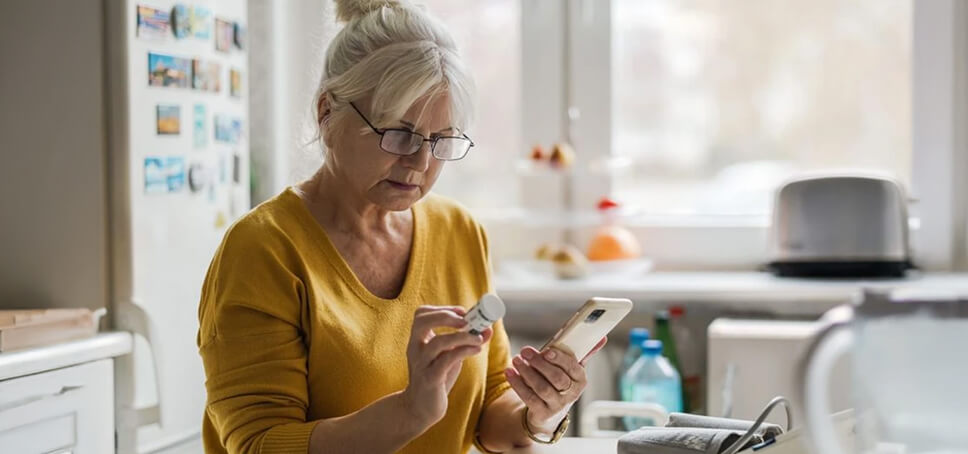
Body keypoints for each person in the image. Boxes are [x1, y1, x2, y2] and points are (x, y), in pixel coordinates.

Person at [196, 1, 606, 452]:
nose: (421, 162)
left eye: (440, 139)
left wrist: (541, 412)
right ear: (326, 114)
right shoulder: (264, 249)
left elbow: (489, 412)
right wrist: (410, 412)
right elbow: (258, 444)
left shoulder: (459, 230)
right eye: (399, 133)